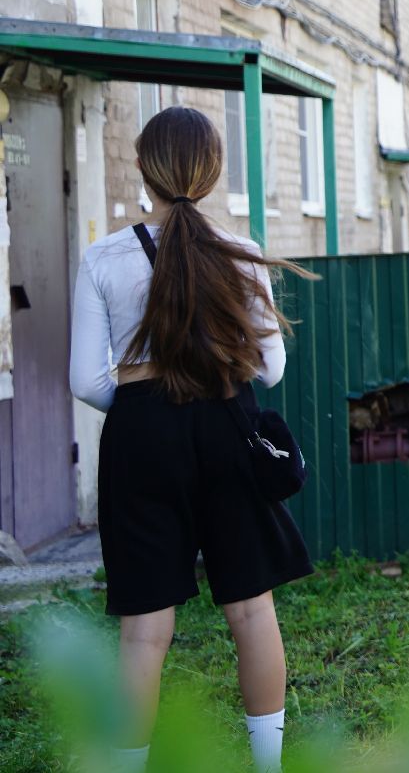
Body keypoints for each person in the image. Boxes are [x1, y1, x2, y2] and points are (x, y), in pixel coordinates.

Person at [68, 106, 314, 773]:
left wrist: (149, 404)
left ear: (145, 170)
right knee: (250, 609)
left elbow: (86, 381)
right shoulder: (240, 254)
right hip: (225, 424)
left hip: (142, 432)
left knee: (144, 630)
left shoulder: (103, 257)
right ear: (212, 172)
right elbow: (271, 368)